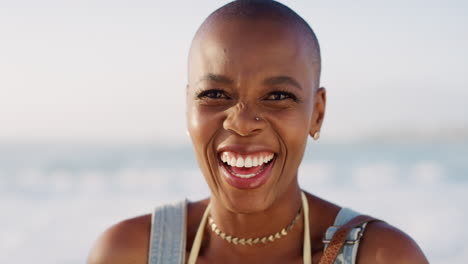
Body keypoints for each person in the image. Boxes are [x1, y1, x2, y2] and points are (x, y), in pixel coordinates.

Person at [87, 1, 429, 263]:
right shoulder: (128, 252)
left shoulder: (383, 256)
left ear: (317, 114)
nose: (242, 121)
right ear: (188, 106)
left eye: (278, 96)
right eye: (214, 95)